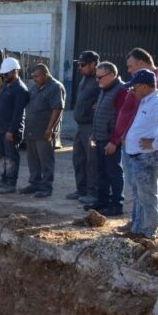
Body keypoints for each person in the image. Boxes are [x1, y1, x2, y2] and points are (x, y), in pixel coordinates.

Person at [121, 69, 158, 239]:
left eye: (134, 87)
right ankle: (138, 228)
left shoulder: (157, 103)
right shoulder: (146, 100)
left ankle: (147, 233)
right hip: (139, 157)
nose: (132, 90)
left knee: (147, 197)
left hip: (148, 158)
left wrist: (155, 144)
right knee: (140, 196)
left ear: (144, 86)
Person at [106, 48, 158, 161]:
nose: (129, 70)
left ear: (141, 63)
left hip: (141, 150)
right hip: (139, 146)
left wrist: (155, 144)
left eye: (131, 66)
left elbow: (134, 114)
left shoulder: (152, 83)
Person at [88, 61, 128, 216]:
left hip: (110, 141)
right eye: (96, 77)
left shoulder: (121, 91)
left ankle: (116, 205)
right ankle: (102, 202)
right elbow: (100, 114)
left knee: (114, 173)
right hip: (100, 137)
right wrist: (94, 134)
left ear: (111, 75)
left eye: (100, 77)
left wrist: (114, 141)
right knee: (102, 172)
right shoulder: (104, 89)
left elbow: (121, 118)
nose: (97, 80)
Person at [20, 64, 65, 198]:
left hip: (44, 131)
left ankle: (46, 187)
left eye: (37, 76)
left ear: (46, 74)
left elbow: (57, 109)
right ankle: (34, 183)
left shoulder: (55, 87)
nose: (34, 79)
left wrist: (50, 129)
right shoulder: (35, 87)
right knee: (33, 159)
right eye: (33, 77)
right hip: (32, 130)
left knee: (46, 160)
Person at [0, 57, 30, 194]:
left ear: (15, 72)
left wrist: (12, 131)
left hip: (11, 130)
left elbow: (18, 114)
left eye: (7, 74)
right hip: (2, 127)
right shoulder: (5, 85)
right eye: (3, 74)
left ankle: (11, 183)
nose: (4, 76)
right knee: (5, 156)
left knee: (11, 157)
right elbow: (0, 106)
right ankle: (4, 179)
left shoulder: (20, 90)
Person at [69, 50, 102, 204]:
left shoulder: (100, 80)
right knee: (79, 159)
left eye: (83, 65)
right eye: (79, 65)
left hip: (91, 128)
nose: (80, 68)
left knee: (92, 161)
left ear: (93, 64)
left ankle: (93, 193)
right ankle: (81, 189)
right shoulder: (85, 79)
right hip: (81, 126)